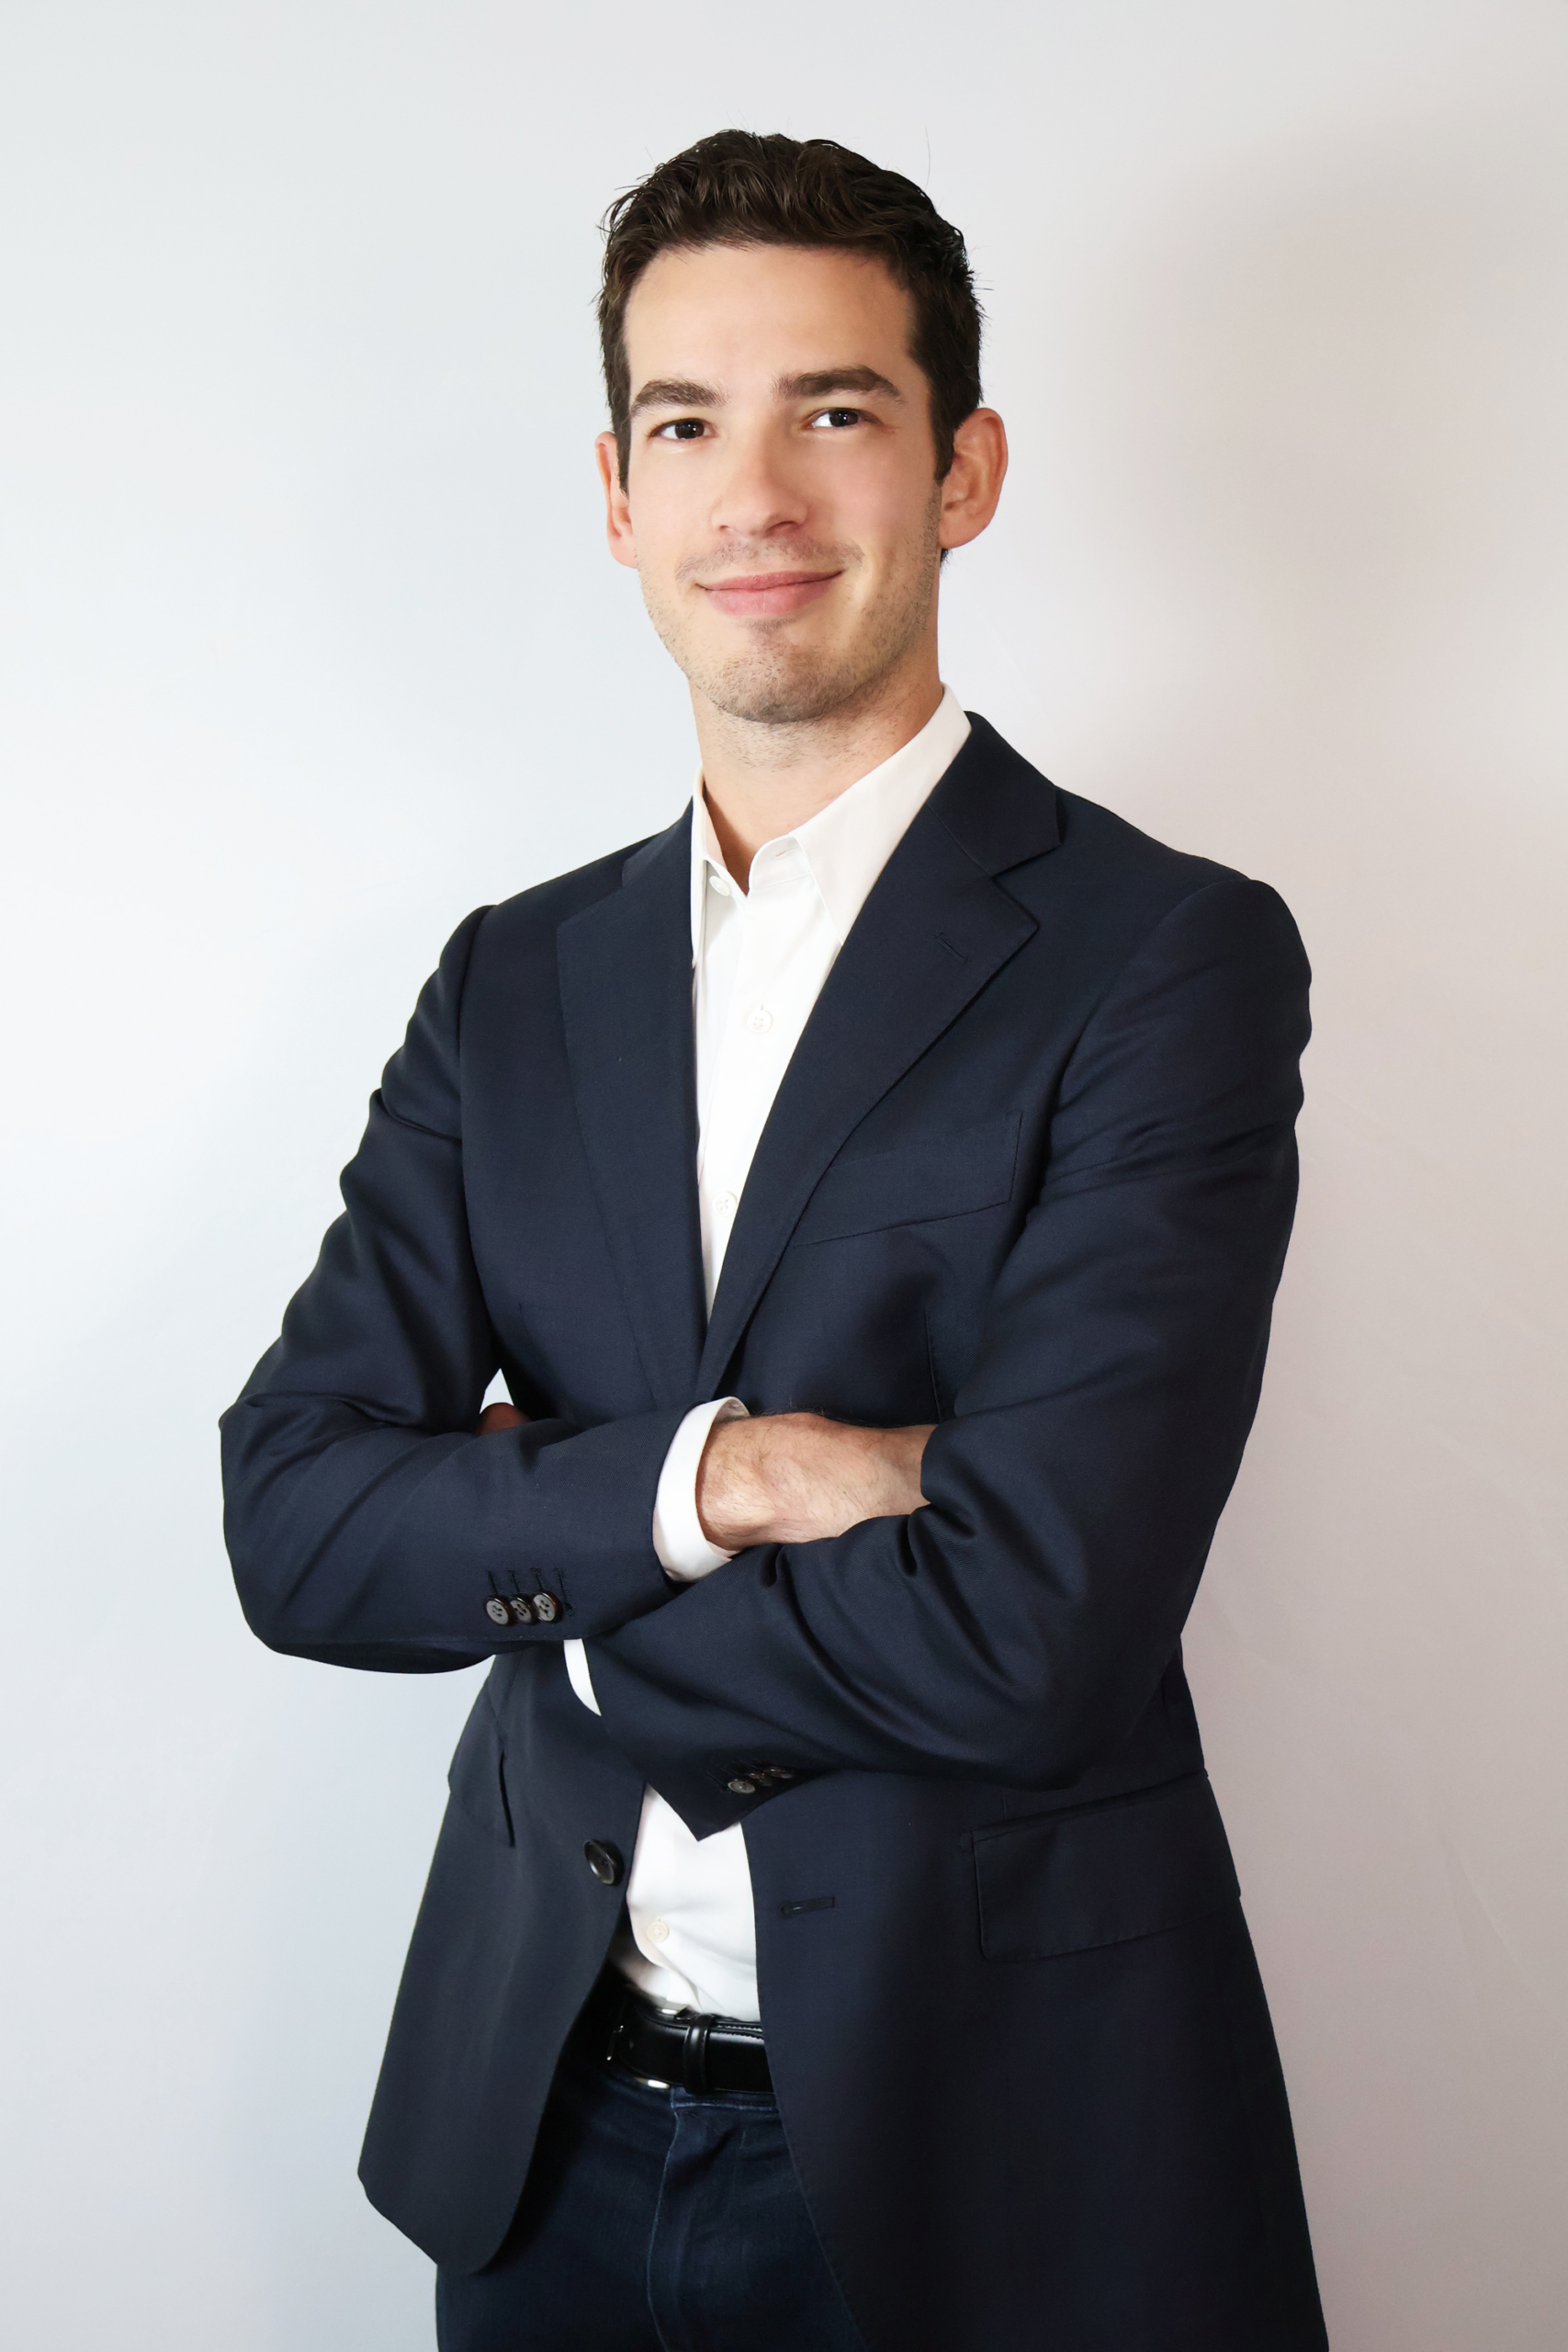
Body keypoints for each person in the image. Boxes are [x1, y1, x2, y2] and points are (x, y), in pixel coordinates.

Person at [221, 130, 1328, 2352]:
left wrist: (559, 1568)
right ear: (615, 496)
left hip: (990, 2145)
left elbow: (1035, 1626)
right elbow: (298, 1524)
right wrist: (730, 1473)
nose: (756, 498)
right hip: (540, 2122)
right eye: (683, 424)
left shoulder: (1160, 957)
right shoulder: (508, 979)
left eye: (833, 410)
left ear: (962, 467)